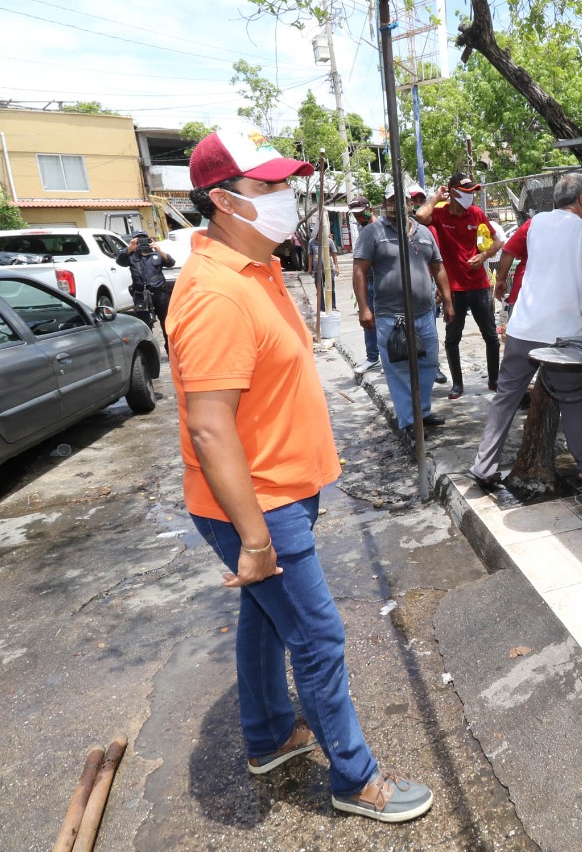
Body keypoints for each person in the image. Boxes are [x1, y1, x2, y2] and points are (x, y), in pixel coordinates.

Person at [166, 127, 434, 822]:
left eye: (287, 183)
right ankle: (356, 778)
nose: (287, 197)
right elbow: (209, 424)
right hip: (259, 503)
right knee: (317, 636)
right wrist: (255, 538)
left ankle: (269, 734)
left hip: (281, 490)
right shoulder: (216, 293)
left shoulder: (254, 270)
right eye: (270, 187)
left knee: (266, 620)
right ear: (225, 201)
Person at [470, 173, 582, 486]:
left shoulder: (535, 223)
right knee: (576, 398)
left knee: (505, 397)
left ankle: (483, 467)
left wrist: (503, 280)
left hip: (523, 327)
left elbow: (509, 251)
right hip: (561, 336)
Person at [353, 182, 454, 431]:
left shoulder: (423, 232)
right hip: (391, 316)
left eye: (402, 200)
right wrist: (364, 308)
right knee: (399, 370)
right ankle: (410, 421)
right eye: (390, 201)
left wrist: (449, 302)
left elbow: (438, 268)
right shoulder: (373, 232)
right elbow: (359, 270)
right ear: (385, 205)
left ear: (411, 204)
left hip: (424, 314)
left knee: (428, 365)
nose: (395, 205)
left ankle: (423, 412)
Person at [415, 173, 504, 400]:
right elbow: (420, 215)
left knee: (491, 336)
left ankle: (494, 380)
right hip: (453, 289)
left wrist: (483, 257)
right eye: (465, 192)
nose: (470, 196)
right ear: (453, 192)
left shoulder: (475, 213)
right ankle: (457, 384)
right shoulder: (440, 214)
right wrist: (436, 197)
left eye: (472, 192)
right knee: (452, 337)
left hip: (479, 285)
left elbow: (498, 242)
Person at [115, 230, 175, 348]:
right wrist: (130, 248)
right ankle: (150, 352)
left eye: (144, 239)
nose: (142, 242)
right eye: (138, 239)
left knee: (166, 324)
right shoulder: (131, 256)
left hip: (160, 295)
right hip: (141, 296)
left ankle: (170, 350)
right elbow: (120, 261)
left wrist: (159, 250)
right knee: (145, 327)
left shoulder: (156, 254)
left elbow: (171, 262)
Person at [348, 196, 381, 375]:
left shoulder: (381, 227)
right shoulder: (362, 230)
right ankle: (373, 357)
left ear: (370, 209)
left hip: (382, 283)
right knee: (368, 321)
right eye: (355, 215)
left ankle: (388, 357)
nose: (358, 217)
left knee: (386, 322)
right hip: (368, 283)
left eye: (361, 213)